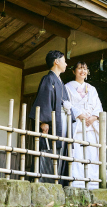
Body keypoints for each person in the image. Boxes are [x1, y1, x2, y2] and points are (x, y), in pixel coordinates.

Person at [28, 50, 76, 184]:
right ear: (56, 62)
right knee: (50, 148)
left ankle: (58, 182)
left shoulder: (59, 81)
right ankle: (45, 182)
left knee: (62, 149)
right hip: (53, 121)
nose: (66, 64)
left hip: (62, 120)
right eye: (64, 61)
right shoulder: (48, 79)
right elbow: (44, 99)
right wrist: (43, 121)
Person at [65, 62, 103, 189]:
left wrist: (93, 117)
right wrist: (79, 114)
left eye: (85, 69)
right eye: (80, 68)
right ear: (74, 71)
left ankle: (93, 184)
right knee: (77, 154)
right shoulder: (67, 87)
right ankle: (78, 183)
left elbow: (98, 106)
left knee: (92, 154)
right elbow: (66, 104)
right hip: (77, 126)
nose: (83, 71)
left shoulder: (92, 89)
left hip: (91, 127)